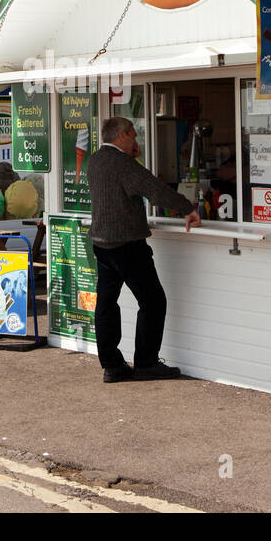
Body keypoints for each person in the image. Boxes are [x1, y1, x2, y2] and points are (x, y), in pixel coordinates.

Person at [87, 116, 201, 383]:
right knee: (152, 301)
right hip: (127, 244)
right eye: (134, 136)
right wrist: (188, 208)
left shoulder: (95, 160)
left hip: (101, 244)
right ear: (123, 135)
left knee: (105, 304)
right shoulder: (123, 164)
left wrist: (134, 156)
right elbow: (155, 190)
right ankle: (147, 363)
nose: (136, 141)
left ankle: (112, 366)